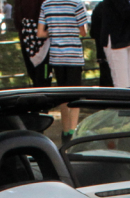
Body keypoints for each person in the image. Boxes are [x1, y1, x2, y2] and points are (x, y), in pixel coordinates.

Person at [37, 0, 87, 137]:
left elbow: (40, 33)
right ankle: (73, 130)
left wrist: (54, 31)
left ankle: (65, 130)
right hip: (73, 56)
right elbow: (84, 32)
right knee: (75, 95)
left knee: (63, 95)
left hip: (56, 56)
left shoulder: (46, 4)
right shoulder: (77, 3)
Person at [15, 0, 48, 86]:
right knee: (44, 76)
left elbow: (16, 21)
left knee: (33, 74)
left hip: (26, 40)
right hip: (44, 42)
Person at [88, 0, 111, 87]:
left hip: (101, 51)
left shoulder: (98, 8)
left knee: (105, 80)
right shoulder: (117, 8)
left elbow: (92, 33)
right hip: (116, 48)